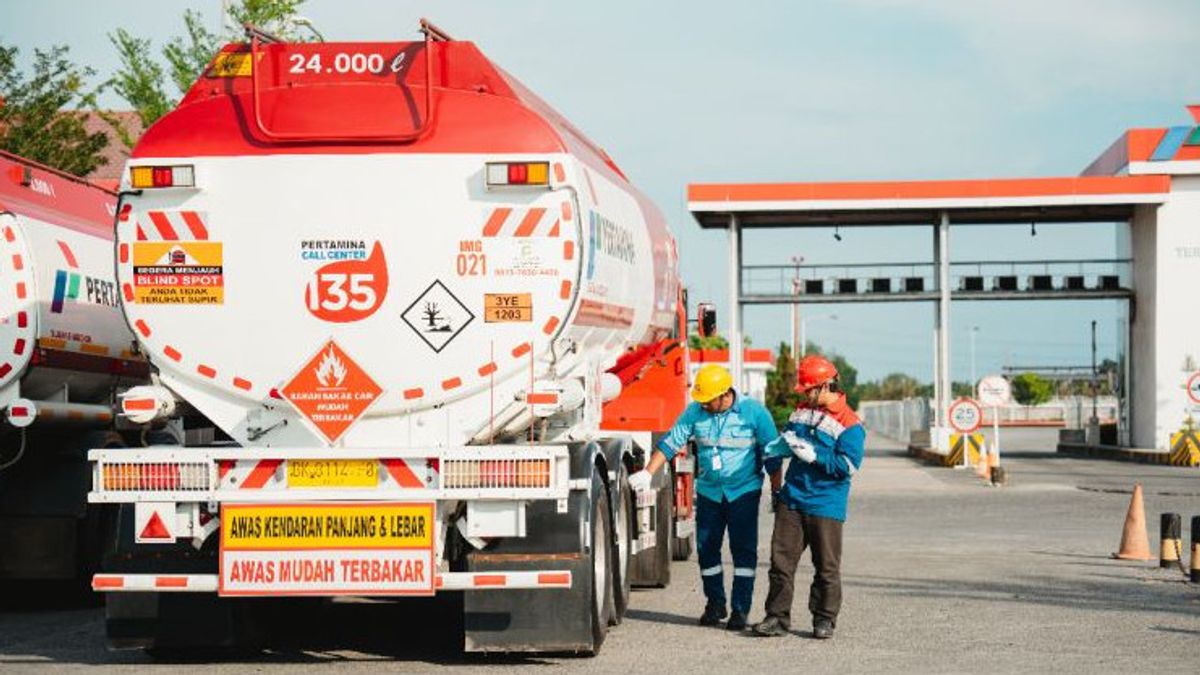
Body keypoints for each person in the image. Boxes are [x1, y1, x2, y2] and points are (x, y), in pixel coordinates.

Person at [629, 364, 778, 631]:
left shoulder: (754, 413)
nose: (704, 406)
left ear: (724, 395)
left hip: (743, 492)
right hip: (710, 492)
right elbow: (671, 442)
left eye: (708, 401)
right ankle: (715, 604)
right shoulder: (696, 411)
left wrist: (777, 491)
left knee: (743, 551)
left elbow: (772, 454)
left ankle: (740, 610)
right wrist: (647, 473)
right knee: (707, 549)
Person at [752, 354, 865, 640]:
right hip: (792, 499)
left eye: (809, 390)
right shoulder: (802, 411)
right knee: (780, 564)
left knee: (826, 567)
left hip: (826, 504)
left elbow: (847, 466)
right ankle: (777, 618)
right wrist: (781, 447)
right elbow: (790, 437)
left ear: (826, 386)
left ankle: (824, 619)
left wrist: (815, 455)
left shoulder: (851, 424)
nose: (805, 395)